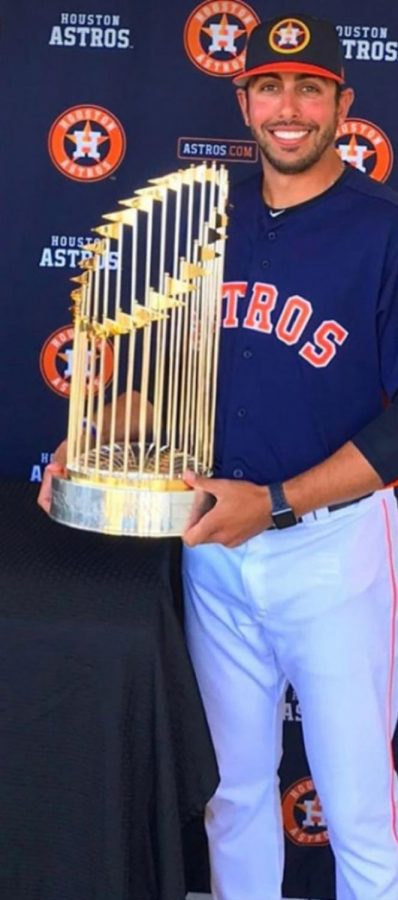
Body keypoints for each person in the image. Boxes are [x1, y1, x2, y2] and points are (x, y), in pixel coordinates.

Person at [38, 13, 398, 899]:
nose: (289, 107)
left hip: (330, 551)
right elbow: (167, 386)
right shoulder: (212, 219)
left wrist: (273, 502)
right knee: (233, 798)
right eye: (270, 86)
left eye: (310, 88)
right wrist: (82, 445)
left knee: (360, 814)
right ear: (244, 99)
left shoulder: (382, 233)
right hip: (211, 553)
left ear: (342, 105)